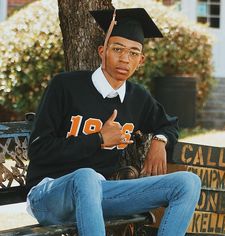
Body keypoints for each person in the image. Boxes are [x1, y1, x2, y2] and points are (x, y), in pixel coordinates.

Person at [26, 8, 201, 236]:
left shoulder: (137, 97)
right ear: (102, 51)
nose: (124, 59)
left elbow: (169, 123)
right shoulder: (65, 87)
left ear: (141, 60)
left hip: (101, 194)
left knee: (187, 183)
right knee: (86, 175)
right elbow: (38, 150)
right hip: (49, 196)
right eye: (117, 49)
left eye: (133, 53)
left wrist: (160, 140)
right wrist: (98, 139)